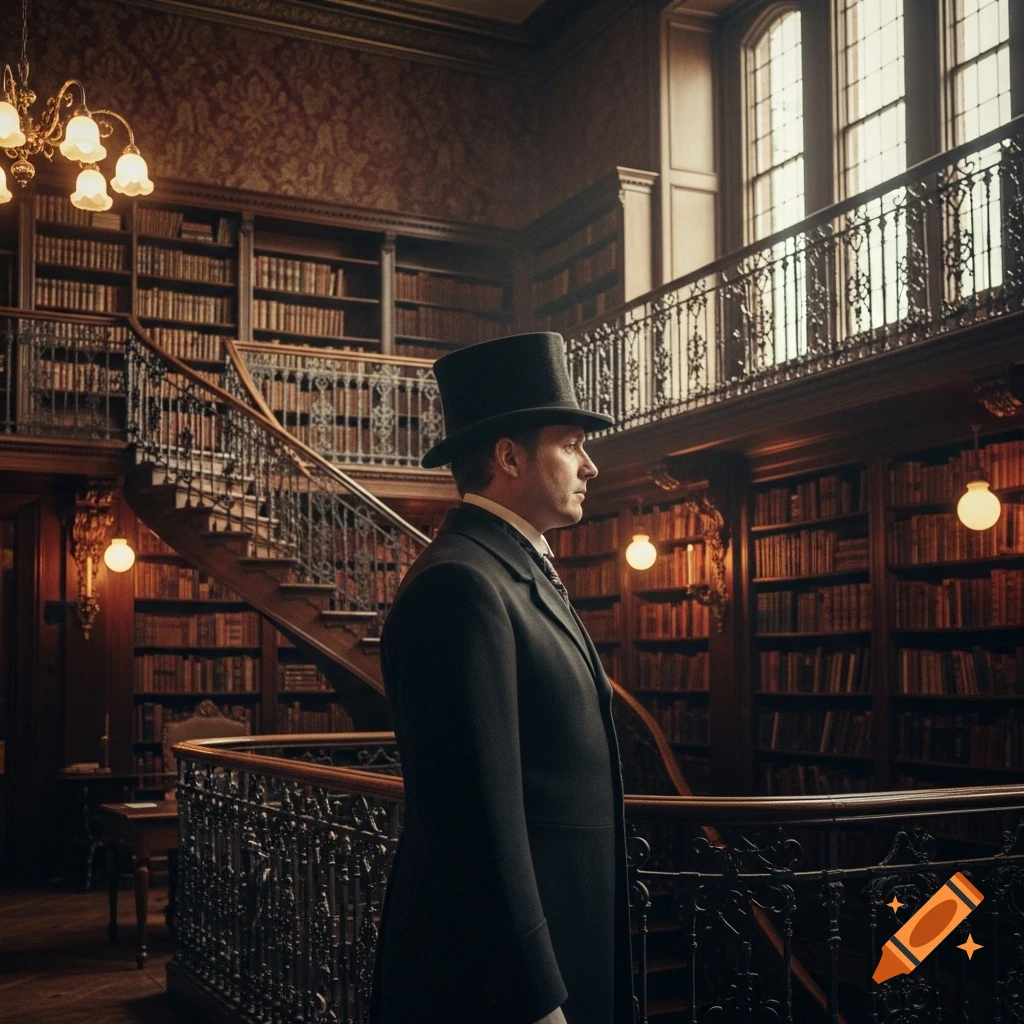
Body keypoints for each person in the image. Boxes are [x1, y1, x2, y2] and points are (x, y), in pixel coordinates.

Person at [367, 333, 636, 1024]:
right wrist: (535, 995)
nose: (591, 466)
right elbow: (472, 821)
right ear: (509, 456)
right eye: (572, 444)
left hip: (564, 939)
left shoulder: (515, 569)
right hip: (500, 983)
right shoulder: (460, 584)